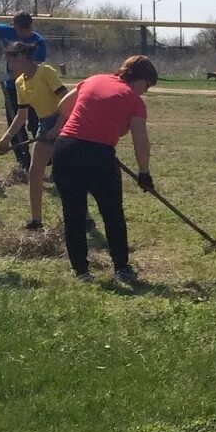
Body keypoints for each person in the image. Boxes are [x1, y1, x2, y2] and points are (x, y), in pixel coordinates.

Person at [46, 55, 159, 283]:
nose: (144, 92)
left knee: (74, 213)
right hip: (98, 155)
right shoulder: (134, 100)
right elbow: (140, 139)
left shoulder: (93, 79)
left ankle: (81, 272)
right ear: (140, 79)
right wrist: (144, 172)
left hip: (65, 149)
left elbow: (63, 106)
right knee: (112, 212)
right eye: (146, 86)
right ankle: (121, 268)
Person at [0, 41, 71, 229]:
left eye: (11, 61)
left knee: (66, 172)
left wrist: (58, 127)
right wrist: (6, 138)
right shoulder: (19, 82)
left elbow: (69, 102)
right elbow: (22, 116)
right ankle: (36, 220)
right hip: (44, 124)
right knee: (35, 171)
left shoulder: (45, 72)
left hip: (65, 121)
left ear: (21, 57)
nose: (10, 66)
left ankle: (84, 217)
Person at [0, 9, 48, 168]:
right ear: (15, 27)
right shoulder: (9, 31)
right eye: (18, 30)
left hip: (32, 87)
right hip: (12, 88)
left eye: (25, 30)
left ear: (30, 26)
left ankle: (46, 155)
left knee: (34, 122)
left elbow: (33, 69)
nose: (21, 33)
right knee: (15, 123)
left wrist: (8, 76)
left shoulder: (38, 42)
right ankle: (23, 161)